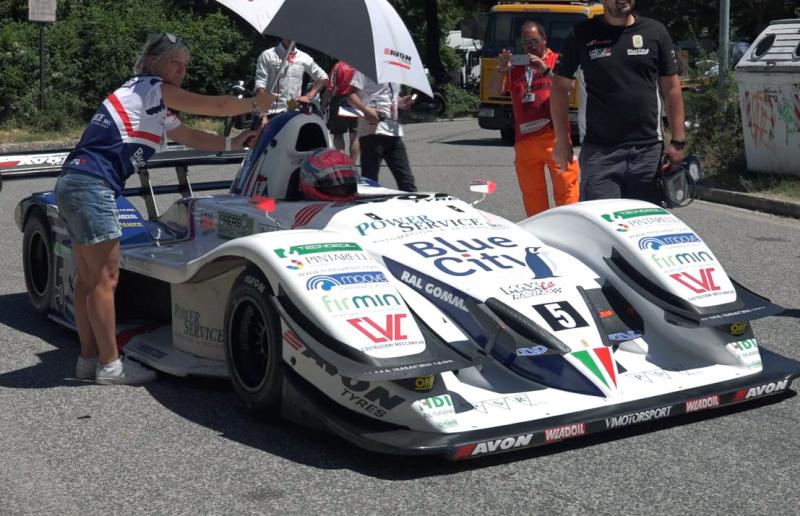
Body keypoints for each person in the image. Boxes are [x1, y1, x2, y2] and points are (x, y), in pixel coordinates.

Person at [55, 32, 275, 385]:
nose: (181, 70)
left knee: (88, 280)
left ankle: (88, 359)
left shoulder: (145, 97)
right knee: (105, 280)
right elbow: (216, 107)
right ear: (151, 61)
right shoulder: (152, 87)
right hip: (92, 185)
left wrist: (232, 143)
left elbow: (189, 135)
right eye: (174, 61)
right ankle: (111, 366)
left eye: (185, 65)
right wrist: (255, 103)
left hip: (75, 181)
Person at [551, 0, 685, 204]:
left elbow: (671, 88)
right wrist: (562, 141)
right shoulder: (581, 33)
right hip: (600, 153)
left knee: (644, 221)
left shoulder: (655, 32)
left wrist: (677, 141)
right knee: (601, 221)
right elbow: (560, 89)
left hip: (648, 151)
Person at [488, 20, 580, 217]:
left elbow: (569, 87)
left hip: (554, 137)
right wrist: (502, 69)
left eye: (534, 41)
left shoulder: (556, 60)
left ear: (544, 40)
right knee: (532, 195)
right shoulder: (516, 66)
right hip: (525, 140)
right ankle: (539, 230)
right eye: (525, 42)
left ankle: (570, 227)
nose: (529, 46)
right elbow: (494, 91)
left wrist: (544, 69)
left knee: (567, 192)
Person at [347, 72, 417, 192]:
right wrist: (366, 110)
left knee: (406, 181)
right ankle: (368, 203)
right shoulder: (365, 68)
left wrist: (401, 101)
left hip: (394, 132)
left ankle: (412, 203)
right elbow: (350, 95)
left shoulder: (394, 71)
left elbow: (389, 97)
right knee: (370, 182)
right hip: (372, 132)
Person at [254, 39, 328, 121]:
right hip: (270, 113)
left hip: (293, 113)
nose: (290, 38)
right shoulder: (268, 55)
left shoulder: (304, 57)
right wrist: (263, 115)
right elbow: (260, 85)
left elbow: (323, 77)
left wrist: (308, 96)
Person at [322, 60, 360, 163]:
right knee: (354, 136)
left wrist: (323, 104)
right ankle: (352, 163)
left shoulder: (338, 66)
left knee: (338, 134)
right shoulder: (359, 67)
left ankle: (343, 162)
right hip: (355, 101)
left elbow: (330, 88)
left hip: (339, 101)